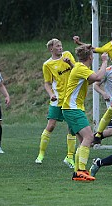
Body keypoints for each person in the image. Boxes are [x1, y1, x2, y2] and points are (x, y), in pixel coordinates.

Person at [62, 44, 108, 181]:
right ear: (90, 57)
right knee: (89, 137)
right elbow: (98, 77)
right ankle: (81, 170)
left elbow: (90, 80)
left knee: (83, 140)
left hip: (71, 108)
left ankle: (78, 172)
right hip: (73, 108)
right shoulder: (81, 68)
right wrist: (105, 60)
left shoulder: (79, 68)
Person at [34, 38, 77, 168]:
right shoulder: (47, 64)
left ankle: (69, 157)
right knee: (51, 125)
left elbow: (77, 70)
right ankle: (40, 154)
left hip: (70, 98)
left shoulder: (68, 55)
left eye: (61, 45)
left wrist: (70, 63)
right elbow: (47, 83)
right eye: (57, 46)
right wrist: (51, 94)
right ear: (51, 49)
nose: (60, 48)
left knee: (72, 127)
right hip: (57, 98)